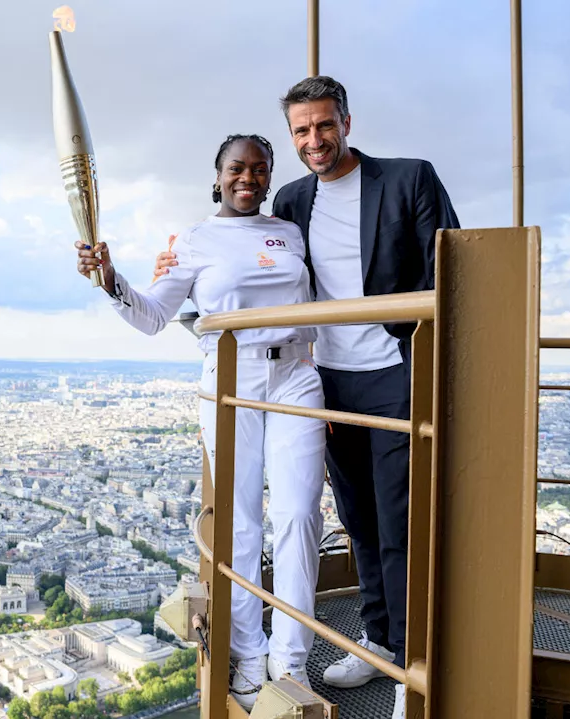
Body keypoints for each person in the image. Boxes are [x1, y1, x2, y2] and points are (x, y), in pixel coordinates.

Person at [152, 77, 459, 719]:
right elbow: (254, 269)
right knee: (357, 517)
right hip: (325, 376)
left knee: (399, 519)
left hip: (395, 369)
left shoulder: (408, 179)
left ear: (347, 122)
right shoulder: (291, 200)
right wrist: (177, 279)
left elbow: (449, 273)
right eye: (301, 130)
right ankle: (377, 635)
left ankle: (407, 663)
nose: (313, 140)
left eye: (323, 126)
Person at [75, 135, 327, 709]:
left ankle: (292, 660)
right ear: (217, 176)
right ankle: (248, 653)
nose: (250, 178)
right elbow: (154, 316)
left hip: (296, 376)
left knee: (298, 517)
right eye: (238, 168)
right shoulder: (194, 239)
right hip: (231, 379)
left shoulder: (290, 231)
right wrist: (110, 276)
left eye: (260, 169)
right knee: (239, 525)